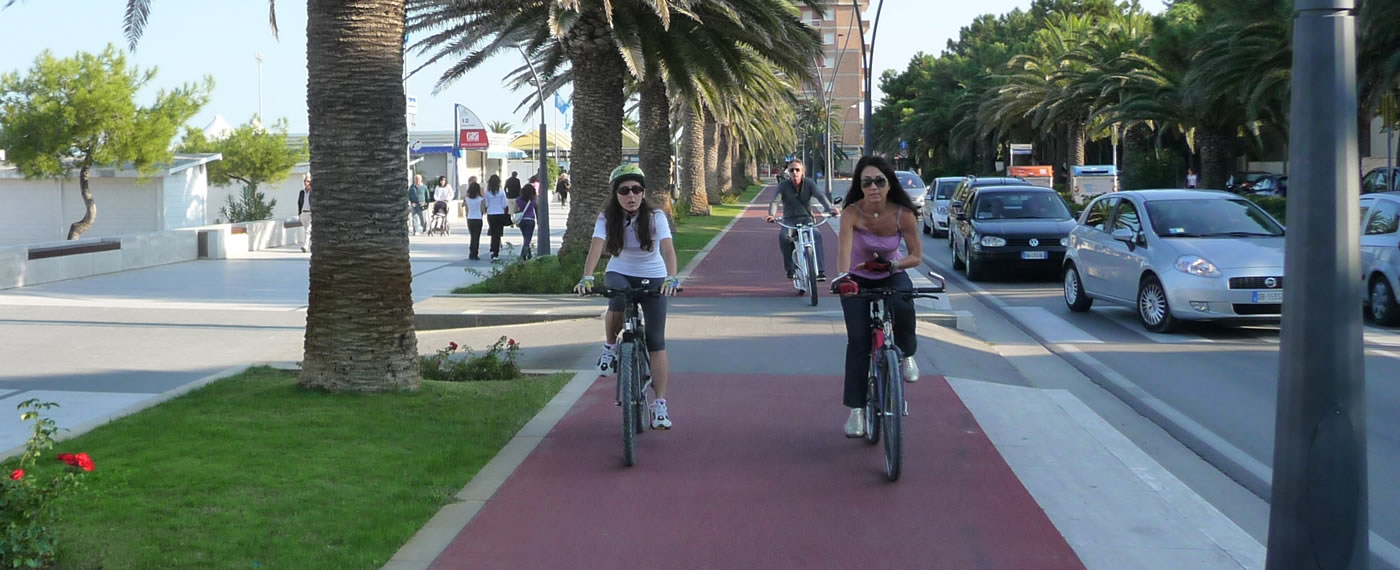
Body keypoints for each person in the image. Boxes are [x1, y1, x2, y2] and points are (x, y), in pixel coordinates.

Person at [573, 164, 680, 429]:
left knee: (656, 341)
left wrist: (671, 277)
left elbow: (668, 249)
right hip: (620, 271)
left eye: (636, 189)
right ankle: (610, 348)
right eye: (624, 190)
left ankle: (660, 405)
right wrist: (587, 276)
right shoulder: (606, 217)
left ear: (643, 193)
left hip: (653, 275)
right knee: (617, 299)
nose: (630, 195)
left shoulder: (656, 216)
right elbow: (597, 245)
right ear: (615, 194)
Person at [829, 155, 924, 438]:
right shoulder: (851, 213)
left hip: (892, 271)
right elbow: (844, 252)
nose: (873, 188)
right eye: (866, 182)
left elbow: (916, 256)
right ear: (860, 186)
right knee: (858, 342)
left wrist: (893, 264)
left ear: (889, 184)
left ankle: (906, 354)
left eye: (879, 181)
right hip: (858, 277)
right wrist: (844, 279)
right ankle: (856, 412)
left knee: (903, 303)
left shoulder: (902, 214)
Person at [764, 159, 838, 284]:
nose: (795, 173)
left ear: (803, 172)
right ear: (788, 172)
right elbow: (775, 201)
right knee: (784, 237)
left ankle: (820, 271)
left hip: (807, 219)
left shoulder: (809, 183)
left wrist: (830, 208)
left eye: (797, 170)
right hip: (789, 220)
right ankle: (790, 269)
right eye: (791, 170)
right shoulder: (783, 185)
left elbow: (820, 196)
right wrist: (771, 214)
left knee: (817, 235)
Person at [484, 174, 510, 260]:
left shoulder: (487, 192)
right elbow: (504, 204)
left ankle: (492, 248)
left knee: (493, 231)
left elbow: (486, 204)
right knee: (498, 233)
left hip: (491, 214)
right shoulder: (501, 192)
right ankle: (496, 251)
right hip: (500, 213)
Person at [516, 183, 538, 260]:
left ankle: (529, 255)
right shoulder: (533, 200)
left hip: (522, 220)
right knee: (527, 239)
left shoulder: (518, 200)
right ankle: (522, 256)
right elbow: (537, 209)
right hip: (530, 220)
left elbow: (516, 210)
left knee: (526, 238)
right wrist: (538, 221)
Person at [464, 181, 485, 260]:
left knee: (472, 236)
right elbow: (483, 210)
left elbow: (466, 210)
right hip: (478, 218)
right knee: (476, 237)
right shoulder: (481, 199)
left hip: (470, 218)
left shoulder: (467, 199)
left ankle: (471, 252)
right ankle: (475, 253)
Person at [297, 173, 313, 253]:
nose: (307, 183)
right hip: (303, 214)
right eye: (305, 181)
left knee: (308, 230)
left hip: (311, 214)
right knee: (308, 231)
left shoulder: (313, 192)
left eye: (308, 181)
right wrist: (299, 213)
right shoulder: (302, 192)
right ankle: (312, 245)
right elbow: (299, 203)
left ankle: (305, 246)